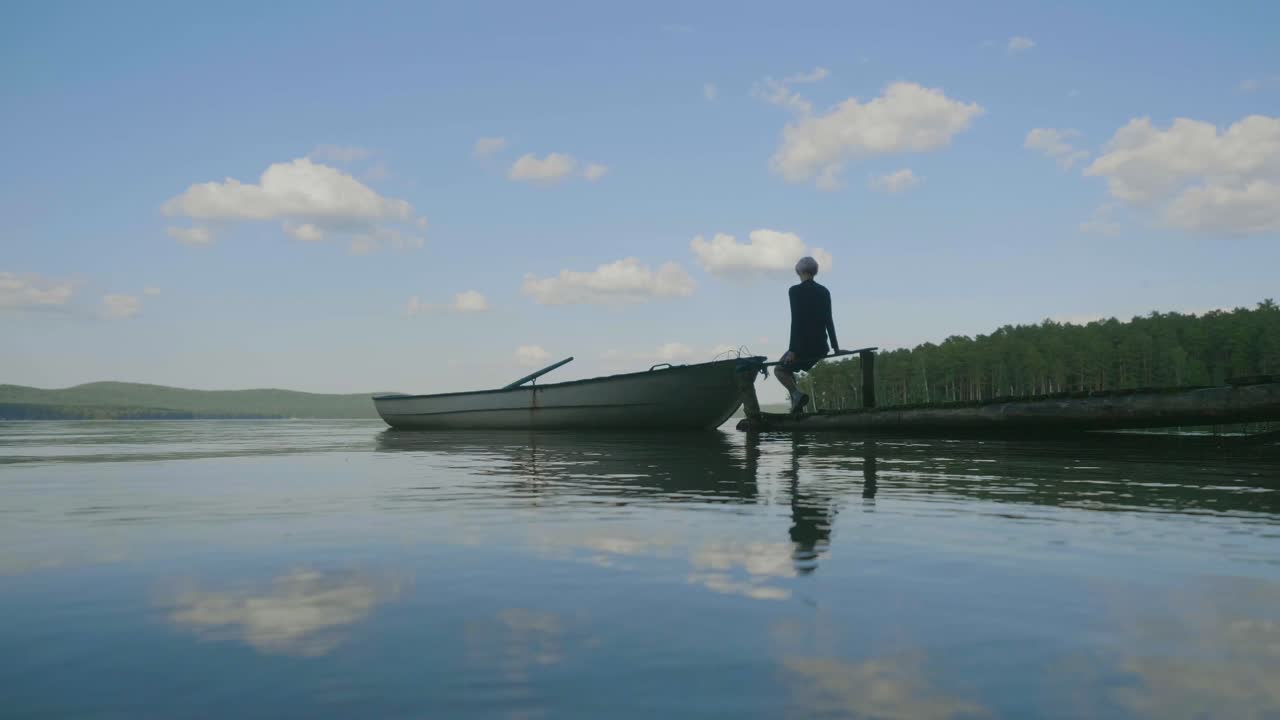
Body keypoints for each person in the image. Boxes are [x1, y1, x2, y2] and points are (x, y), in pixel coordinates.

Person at [775, 256, 838, 412]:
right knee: (789, 370)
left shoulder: (795, 291)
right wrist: (836, 348)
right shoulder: (824, 291)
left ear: (799, 271)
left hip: (802, 347)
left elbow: (796, 321)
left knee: (779, 370)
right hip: (821, 346)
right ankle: (797, 408)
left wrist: (793, 350)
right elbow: (828, 320)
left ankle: (796, 395)